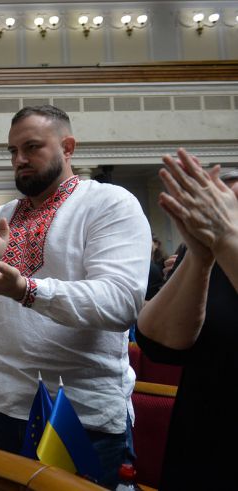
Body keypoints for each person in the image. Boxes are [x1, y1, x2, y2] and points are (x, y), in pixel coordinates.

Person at [0, 105, 151, 487]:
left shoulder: (108, 203)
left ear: (68, 147)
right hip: (7, 405)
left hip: (82, 412)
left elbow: (120, 303)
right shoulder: (3, 213)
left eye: (32, 147)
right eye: (12, 151)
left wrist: (24, 289)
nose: (19, 159)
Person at [136, 150, 238, 490]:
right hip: (203, 445)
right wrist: (200, 255)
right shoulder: (216, 249)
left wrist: (226, 239)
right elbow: (158, 341)